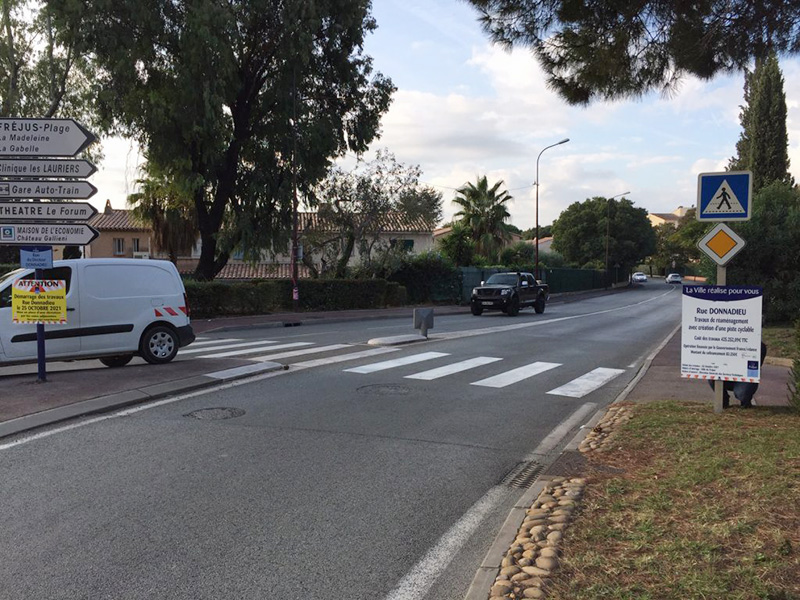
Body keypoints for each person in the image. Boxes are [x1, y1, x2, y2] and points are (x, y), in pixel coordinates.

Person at [709, 342, 767, 408]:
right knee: (711, 374)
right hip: (726, 375)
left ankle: (746, 403)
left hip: (744, 378)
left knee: (742, 394)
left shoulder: (758, 345)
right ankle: (723, 402)